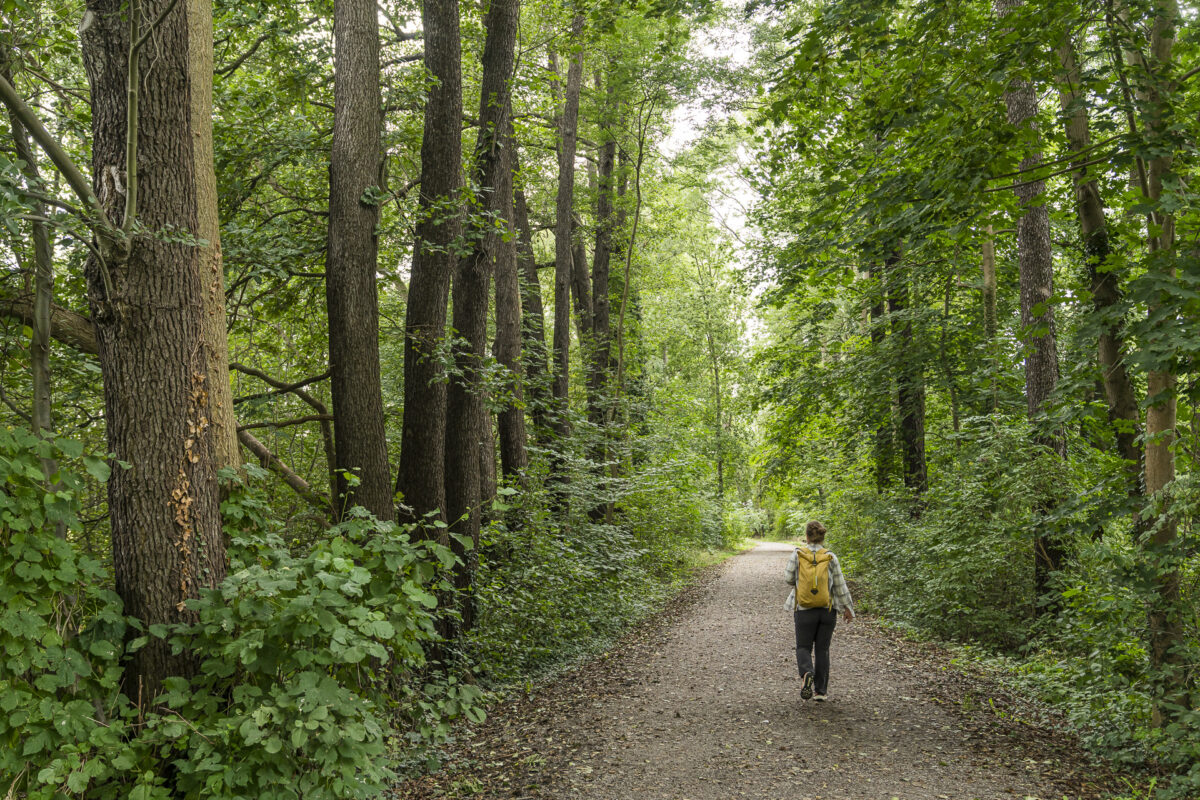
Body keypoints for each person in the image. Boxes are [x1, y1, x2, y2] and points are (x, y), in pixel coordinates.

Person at [784, 520, 854, 701]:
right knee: (822, 650)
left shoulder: (798, 554)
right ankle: (820, 692)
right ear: (823, 537)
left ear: (806, 537)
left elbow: (789, 578)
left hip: (804, 609)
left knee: (803, 646)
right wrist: (848, 608)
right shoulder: (830, 556)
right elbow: (839, 585)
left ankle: (807, 672)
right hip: (827, 610)